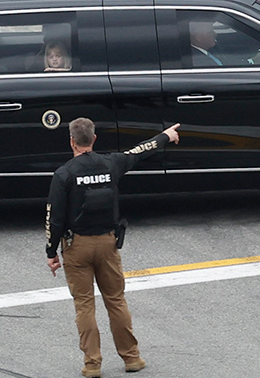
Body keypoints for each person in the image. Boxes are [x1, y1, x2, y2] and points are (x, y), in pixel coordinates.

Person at [45, 118, 181, 378]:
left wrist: (51, 253)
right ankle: (132, 358)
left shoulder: (64, 174)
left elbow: (54, 217)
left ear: (72, 141)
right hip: (108, 244)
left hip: (77, 247)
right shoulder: (111, 164)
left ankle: (92, 364)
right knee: (116, 301)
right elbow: (139, 151)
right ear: (94, 139)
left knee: (84, 305)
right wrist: (165, 136)